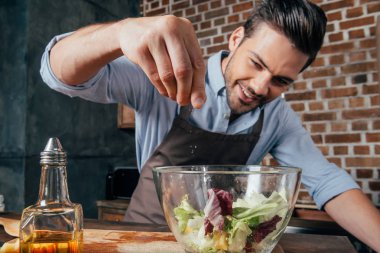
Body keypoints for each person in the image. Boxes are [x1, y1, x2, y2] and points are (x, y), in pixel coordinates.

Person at [40, 0, 380, 251]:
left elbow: (327, 181)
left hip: (223, 246)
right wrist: (120, 31)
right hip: (144, 241)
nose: (261, 87)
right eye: (256, 63)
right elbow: (58, 75)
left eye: (280, 80)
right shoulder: (169, 73)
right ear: (235, 40)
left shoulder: (277, 116)